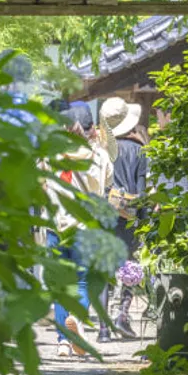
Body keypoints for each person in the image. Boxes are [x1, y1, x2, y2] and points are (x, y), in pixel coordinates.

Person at [44, 102, 103, 357]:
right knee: (82, 282)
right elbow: (105, 187)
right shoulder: (98, 156)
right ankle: (76, 323)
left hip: (55, 227)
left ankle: (62, 342)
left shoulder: (52, 155)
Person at [96, 96, 149, 341]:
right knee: (130, 267)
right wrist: (144, 221)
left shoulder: (102, 150)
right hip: (129, 218)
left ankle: (103, 329)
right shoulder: (139, 150)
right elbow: (142, 192)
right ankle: (122, 316)